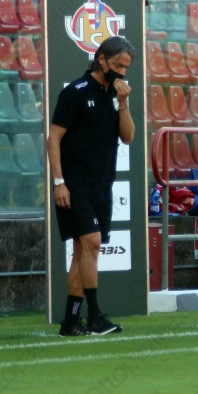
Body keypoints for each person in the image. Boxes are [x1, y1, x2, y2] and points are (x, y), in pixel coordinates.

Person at [47, 36, 135, 336]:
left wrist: (124, 103)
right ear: (101, 60)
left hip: (102, 184)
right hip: (75, 183)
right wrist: (59, 183)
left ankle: (71, 322)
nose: (122, 72)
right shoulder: (75, 92)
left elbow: (128, 137)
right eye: (118, 65)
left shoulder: (115, 95)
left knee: (83, 250)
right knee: (92, 242)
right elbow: (53, 139)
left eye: (126, 67)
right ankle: (95, 315)